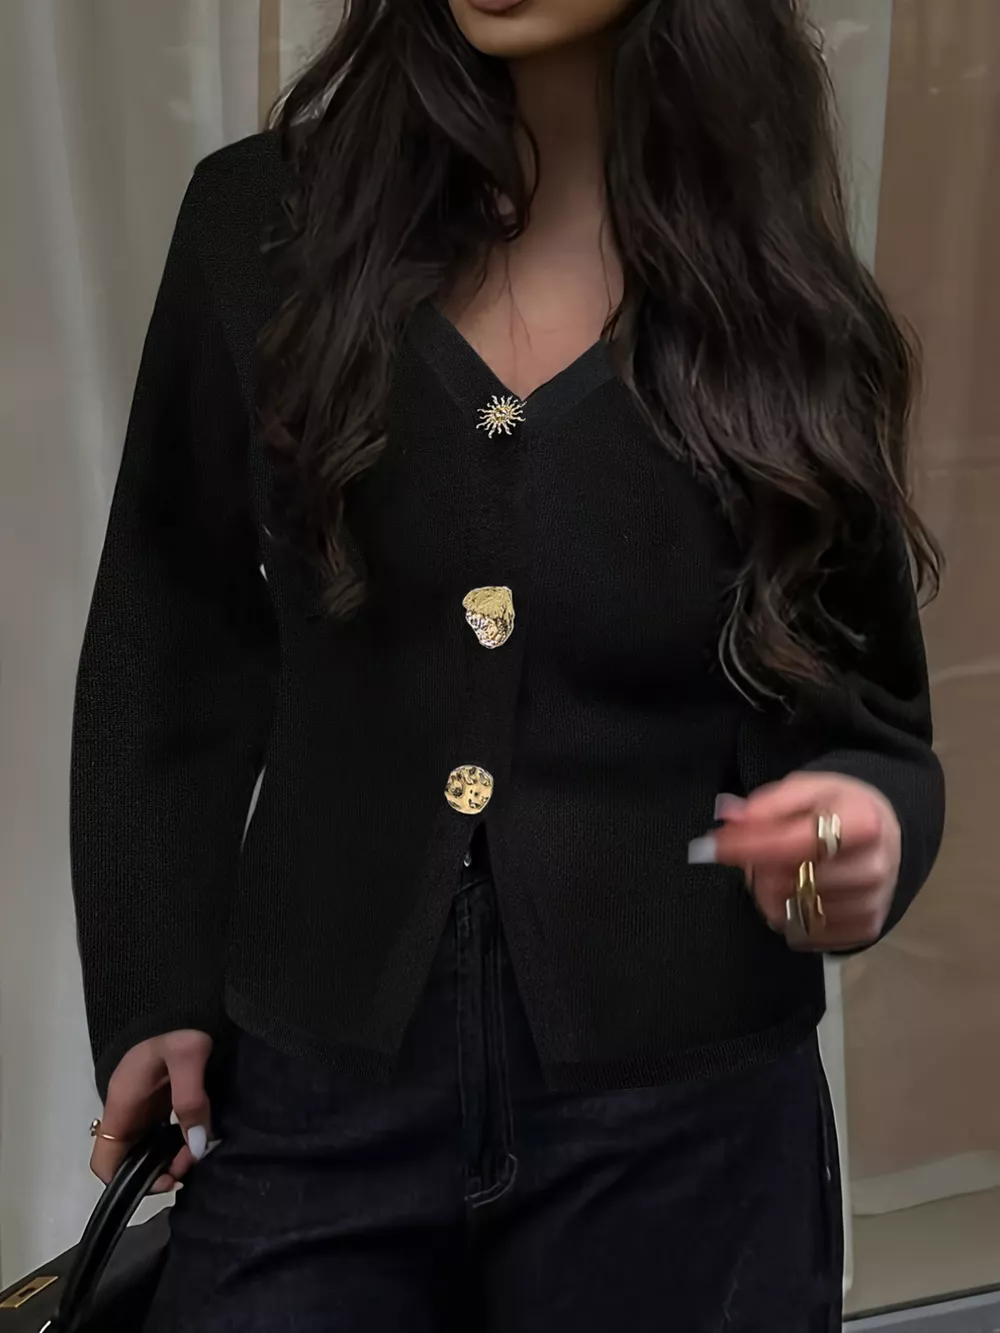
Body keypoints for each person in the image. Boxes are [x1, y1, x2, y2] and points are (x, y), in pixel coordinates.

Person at [71, 0, 945, 1328]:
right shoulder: (260, 227)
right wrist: (154, 990)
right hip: (312, 1100)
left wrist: (856, 832)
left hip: (687, 1136)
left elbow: (868, 723)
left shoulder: (772, 284)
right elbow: (169, 629)